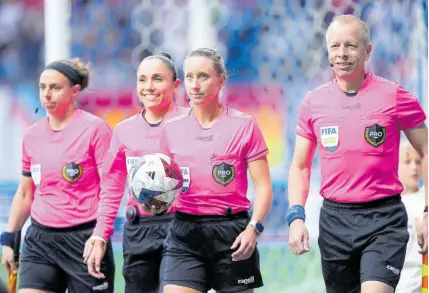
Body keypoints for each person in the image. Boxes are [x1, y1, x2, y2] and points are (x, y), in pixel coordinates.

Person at [287, 14, 428, 293]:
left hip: (383, 219)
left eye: (350, 46)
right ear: (327, 52)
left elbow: (426, 148)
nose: (342, 54)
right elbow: (300, 167)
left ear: (367, 51)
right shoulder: (313, 103)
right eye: (335, 46)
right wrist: (296, 218)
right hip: (334, 221)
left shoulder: (395, 96)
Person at [159, 47, 273, 293]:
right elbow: (165, 184)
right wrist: (155, 201)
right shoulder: (170, 128)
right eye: (189, 76)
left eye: (203, 76)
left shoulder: (245, 126)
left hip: (233, 234)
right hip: (184, 234)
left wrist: (254, 228)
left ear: (221, 80)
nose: (195, 85)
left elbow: (263, 186)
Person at [0, 58, 115, 293]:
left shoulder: (96, 129)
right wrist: (9, 238)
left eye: (55, 87)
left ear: (74, 91)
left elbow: (110, 190)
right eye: (43, 87)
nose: (47, 94)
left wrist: (100, 237)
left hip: (85, 240)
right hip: (40, 241)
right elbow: (25, 194)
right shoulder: (32, 135)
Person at [85, 52, 188, 293]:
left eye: (157, 79)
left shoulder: (192, 123)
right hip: (139, 230)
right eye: (142, 80)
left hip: (183, 227)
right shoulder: (124, 131)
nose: (148, 87)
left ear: (175, 85)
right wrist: (100, 235)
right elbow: (111, 188)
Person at [396, 140, 425, 293]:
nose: (414, 167)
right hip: (393, 281)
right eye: (407, 162)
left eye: (418, 161)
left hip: (420, 282)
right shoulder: (387, 203)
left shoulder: (425, 199)